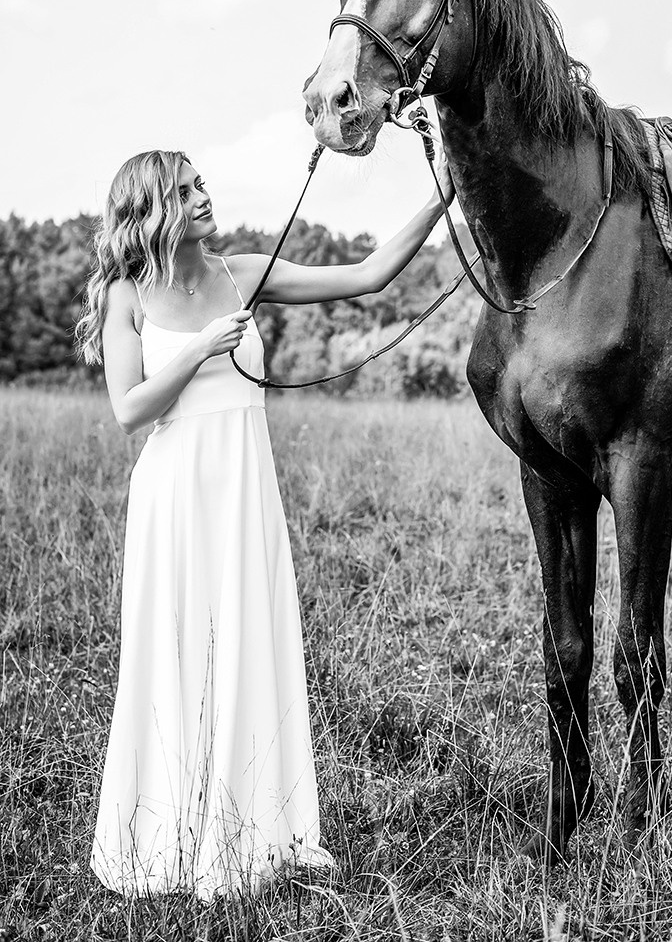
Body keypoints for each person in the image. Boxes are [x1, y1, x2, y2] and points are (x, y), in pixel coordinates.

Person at [76, 143, 454, 898]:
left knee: (246, 643)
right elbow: (128, 411)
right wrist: (198, 353)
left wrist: (443, 196)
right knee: (177, 651)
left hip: (245, 488)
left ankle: (252, 833)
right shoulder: (128, 295)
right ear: (152, 210)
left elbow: (368, 273)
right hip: (175, 493)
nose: (202, 197)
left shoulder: (241, 271)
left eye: (200, 183)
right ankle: (171, 839)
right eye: (185, 191)